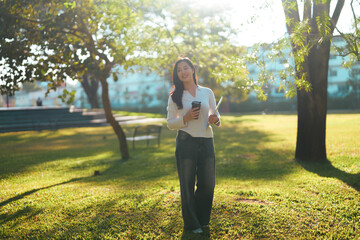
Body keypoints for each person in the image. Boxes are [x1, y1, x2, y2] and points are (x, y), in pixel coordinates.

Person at [166, 57, 221, 234]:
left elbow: (216, 118)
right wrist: (186, 118)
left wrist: (215, 119)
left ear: (192, 70)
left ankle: (202, 219)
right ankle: (192, 224)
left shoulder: (207, 92)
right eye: (179, 70)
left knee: (208, 184)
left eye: (185, 68)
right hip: (186, 141)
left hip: (206, 141)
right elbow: (169, 123)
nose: (183, 72)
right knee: (187, 185)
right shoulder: (175, 96)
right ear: (177, 75)